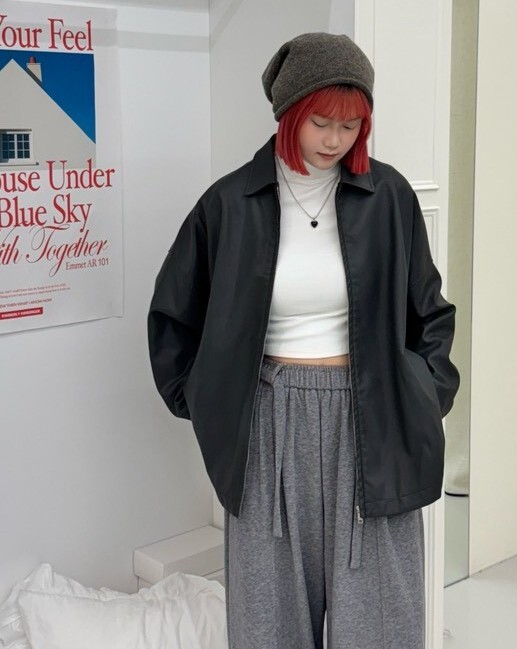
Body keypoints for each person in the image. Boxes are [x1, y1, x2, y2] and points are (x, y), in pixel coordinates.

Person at [148, 32, 459, 649]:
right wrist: (209, 403)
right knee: (270, 616)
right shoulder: (229, 203)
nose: (335, 139)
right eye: (321, 122)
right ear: (289, 113)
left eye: (351, 125)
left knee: (380, 619)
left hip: (375, 414)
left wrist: (423, 396)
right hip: (268, 420)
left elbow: (430, 312)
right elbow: (174, 315)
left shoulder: (389, 197)